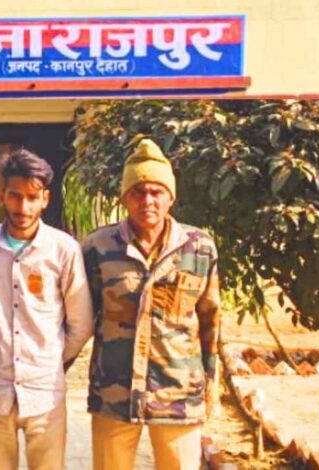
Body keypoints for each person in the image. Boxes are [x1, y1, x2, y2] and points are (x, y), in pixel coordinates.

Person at [0, 148, 94, 470]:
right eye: (15, 196)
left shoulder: (63, 249)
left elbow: (81, 324)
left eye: (32, 197)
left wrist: (49, 362)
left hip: (46, 398)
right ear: (2, 195)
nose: (23, 207)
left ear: (45, 199)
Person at [82, 139, 221, 470]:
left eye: (157, 192)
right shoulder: (99, 247)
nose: (147, 200)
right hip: (114, 394)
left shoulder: (199, 248)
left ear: (171, 197)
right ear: (125, 198)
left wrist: (211, 385)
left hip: (179, 394)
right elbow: (78, 318)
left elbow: (211, 320)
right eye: (138, 192)